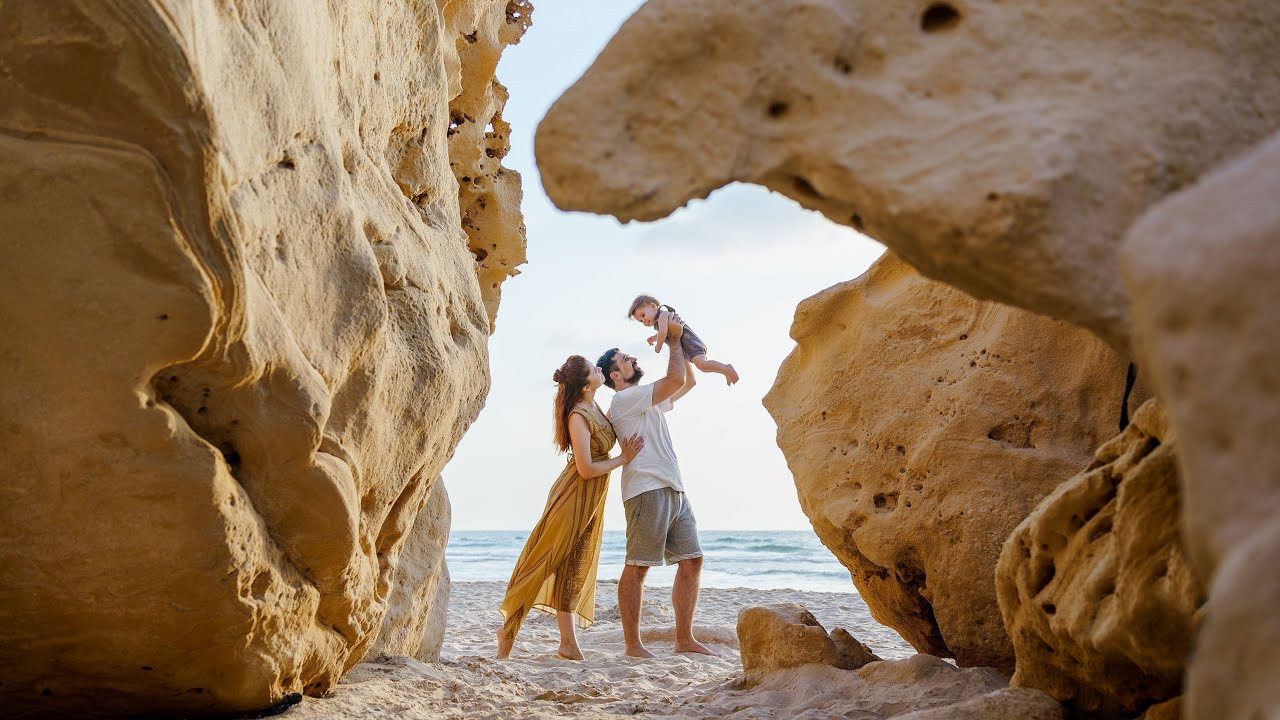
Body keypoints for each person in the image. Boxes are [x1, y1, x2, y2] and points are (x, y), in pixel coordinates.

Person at [496, 355, 644, 661]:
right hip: (573, 495)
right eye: (594, 369)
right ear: (586, 384)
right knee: (544, 561)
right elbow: (586, 468)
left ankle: (568, 644)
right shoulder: (578, 414)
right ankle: (507, 633)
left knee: (574, 566)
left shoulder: (595, 405)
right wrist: (624, 459)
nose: (600, 369)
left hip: (592, 499)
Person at [596, 315, 716, 658]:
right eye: (625, 359)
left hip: (673, 487)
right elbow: (674, 377)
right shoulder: (624, 400)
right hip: (646, 489)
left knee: (692, 561)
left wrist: (684, 337)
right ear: (615, 375)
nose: (633, 359)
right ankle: (633, 646)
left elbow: (685, 381)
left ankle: (684, 639)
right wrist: (673, 341)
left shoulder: (645, 398)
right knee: (639, 566)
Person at [627, 294, 739, 385]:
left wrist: (658, 346)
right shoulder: (659, 322)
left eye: (643, 315)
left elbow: (663, 333)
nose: (644, 321)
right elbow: (664, 332)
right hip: (687, 347)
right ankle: (725, 371)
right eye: (640, 321)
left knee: (703, 365)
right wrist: (655, 337)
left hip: (690, 343)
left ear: (653, 306)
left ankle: (726, 368)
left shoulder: (663, 315)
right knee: (703, 367)